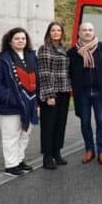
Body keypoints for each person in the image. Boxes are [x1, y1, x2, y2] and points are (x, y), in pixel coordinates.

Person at [0, 27, 39, 176]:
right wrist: (9, 97)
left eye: (23, 38)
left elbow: (38, 78)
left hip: (30, 103)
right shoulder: (3, 58)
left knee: (25, 134)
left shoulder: (31, 56)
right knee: (11, 136)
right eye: (17, 38)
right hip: (10, 105)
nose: (20, 41)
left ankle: (19, 160)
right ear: (10, 41)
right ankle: (11, 165)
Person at [68, 22, 102, 166]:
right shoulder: (72, 52)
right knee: (85, 122)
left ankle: (101, 152)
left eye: (90, 30)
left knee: (101, 121)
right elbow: (70, 73)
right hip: (82, 94)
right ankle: (89, 150)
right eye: (84, 30)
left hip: (99, 92)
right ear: (79, 33)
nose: (87, 32)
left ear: (94, 32)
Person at [36, 21, 72, 170]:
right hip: (51, 93)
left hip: (64, 91)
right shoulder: (44, 49)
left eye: (58, 30)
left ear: (62, 33)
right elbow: (44, 73)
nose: (56, 32)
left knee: (60, 124)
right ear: (48, 33)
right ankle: (47, 156)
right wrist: (49, 95)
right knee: (48, 125)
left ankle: (57, 152)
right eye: (53, 30)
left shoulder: (64, 49)